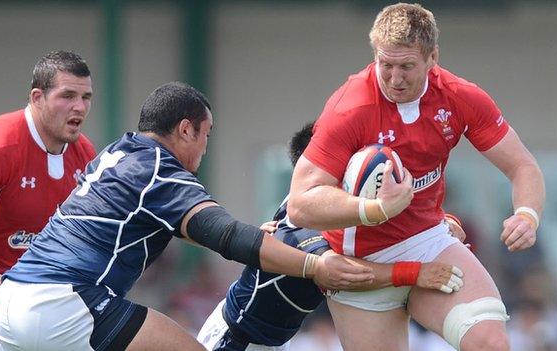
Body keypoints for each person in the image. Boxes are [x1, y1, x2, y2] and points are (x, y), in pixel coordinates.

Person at [0, 82, 379, 351]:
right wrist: (314, 266)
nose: (206, 147)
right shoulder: (161, 171)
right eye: (206, 134)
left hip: (13, 302)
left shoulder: (121, 152)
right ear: (185, 129)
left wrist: (249, 237)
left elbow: (185, 227)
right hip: (63, 303)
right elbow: (226, 237)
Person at [287, 3, 545, 351]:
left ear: (432, 57)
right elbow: (302, 204)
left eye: (407, 66)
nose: (395, 79)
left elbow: (523, 167)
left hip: (428, 243)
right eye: (385, 65)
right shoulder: (350, 108)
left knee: (491, 343)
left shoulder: (459, 97)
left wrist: (527, 215)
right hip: (361, 265)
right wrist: (375, 209)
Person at [197, 122, 465, 351]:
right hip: (236, 338)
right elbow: (342, 273)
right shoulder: (300, 221)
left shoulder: (335, 212)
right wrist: (415, 273)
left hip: (273, 341)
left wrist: (442, 224)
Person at [0, 51, 96, 351]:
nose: (79, 106)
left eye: (86, 97)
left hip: (27, 314)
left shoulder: (84, 155)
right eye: (68, 95)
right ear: (37, 97)